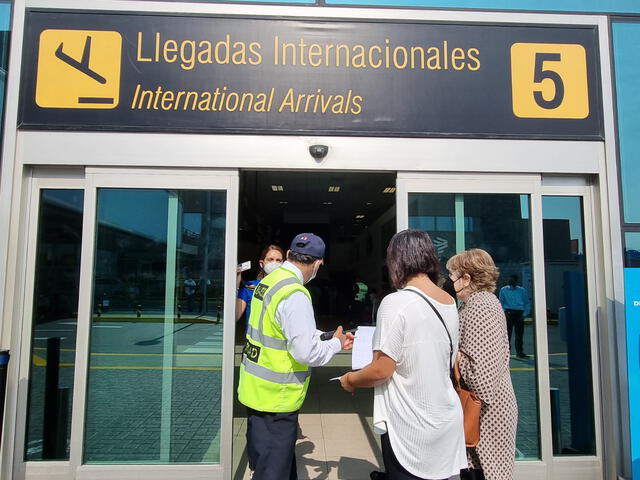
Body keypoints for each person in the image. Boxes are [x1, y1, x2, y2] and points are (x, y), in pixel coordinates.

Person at [340, 229, 467, 480]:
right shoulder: (449, 302)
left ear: (396, 261)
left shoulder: (395, 303)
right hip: (444, 419)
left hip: (410, 427)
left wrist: (350, 380)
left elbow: (381, 370)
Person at [237, 233, 355, 480]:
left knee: (270, 464)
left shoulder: (269, 282)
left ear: (289, 255)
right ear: (319, 263)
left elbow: (279, 329)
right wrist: (335, 344)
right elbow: (305, 352)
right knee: (272, 472)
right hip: (277, 398)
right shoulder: (295, 293)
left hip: (255, 390)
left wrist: (325, 336)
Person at [446, 249, 518, 480]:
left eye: (452, 276)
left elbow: (482, 377)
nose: (450, 281)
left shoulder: (480, 307)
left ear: (466, 278)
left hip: (487, 417)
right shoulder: (481, 304)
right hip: (484, 415)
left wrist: (452, 356)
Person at [236, 245, 285, 331]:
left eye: (278, 260)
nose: (274, 263)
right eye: (270, 259)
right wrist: (237, 280)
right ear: (262, 264)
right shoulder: (250, 287)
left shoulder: (288, 287)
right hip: (253, 342)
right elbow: (235, 316)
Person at [498, 274, 531, 358]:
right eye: (509, 280)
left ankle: (519, 352)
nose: (510, 282)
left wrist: (524, 314)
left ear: (516, 281)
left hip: (519, 313)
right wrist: (504, 313)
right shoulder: (503, 290)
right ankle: (506, 353)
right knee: (507, 334)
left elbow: (526, 303)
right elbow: (501, 302)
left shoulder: (522, 290)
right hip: (508, 312)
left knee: (519, 334)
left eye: (511, 280)